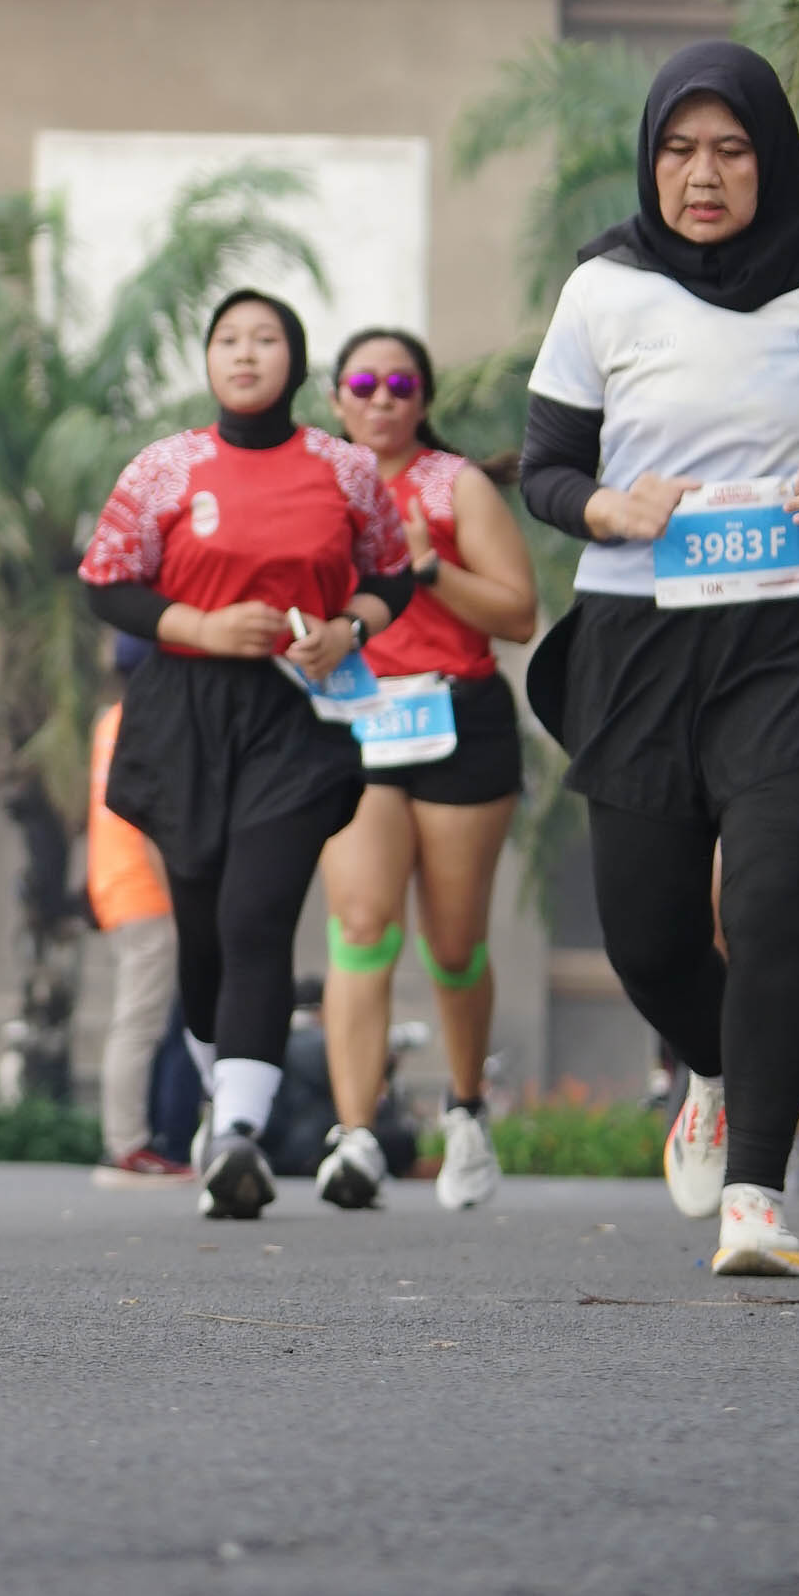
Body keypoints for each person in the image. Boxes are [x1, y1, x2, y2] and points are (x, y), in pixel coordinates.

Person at [520, 43, 799, 1280]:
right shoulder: (602, 289)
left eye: (731, 151)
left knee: (768, 903)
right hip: (640, 638)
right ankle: (708, 1067)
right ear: (650, 162)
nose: (702, 176)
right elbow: (544, 468)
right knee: (646, 937)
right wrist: (606, 508)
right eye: (678, 151)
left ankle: (756, 1196)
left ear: (771, 158)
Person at [78, 288, 411, 1221]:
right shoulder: (164, 468)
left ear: (294, 361)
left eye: (266, 339)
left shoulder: (345, 470)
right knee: (204, 939)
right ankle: (221, 1097)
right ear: (210, 360)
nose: (246, 353)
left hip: (297, 716)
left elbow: (392, 574)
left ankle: (236, 1136)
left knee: (256, 915)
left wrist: (348, 629)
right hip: (184, 715)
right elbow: (107, 582)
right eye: (228, 338)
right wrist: (201, 627)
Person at [311, 328, 536, 1215]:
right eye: (363, 382)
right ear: (336, 398)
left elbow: (518, 614)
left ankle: (467, 1109)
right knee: (362, 922)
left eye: (400, 385)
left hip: (455, 719)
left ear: (424, 400)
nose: (381, 398)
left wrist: (428, 567)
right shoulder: (314, 486)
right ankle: (355, 1134)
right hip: (355, 720)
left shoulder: (454, 485)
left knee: (452, 942)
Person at [86, 655, 186, 1180]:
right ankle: (127, 1144)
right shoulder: (152, 719)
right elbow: (152, 819)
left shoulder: (112, 720)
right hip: (148, 891)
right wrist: (181, 898)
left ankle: (129, 1140)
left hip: (115, 884)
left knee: (137, 1021)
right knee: (139, 1024)